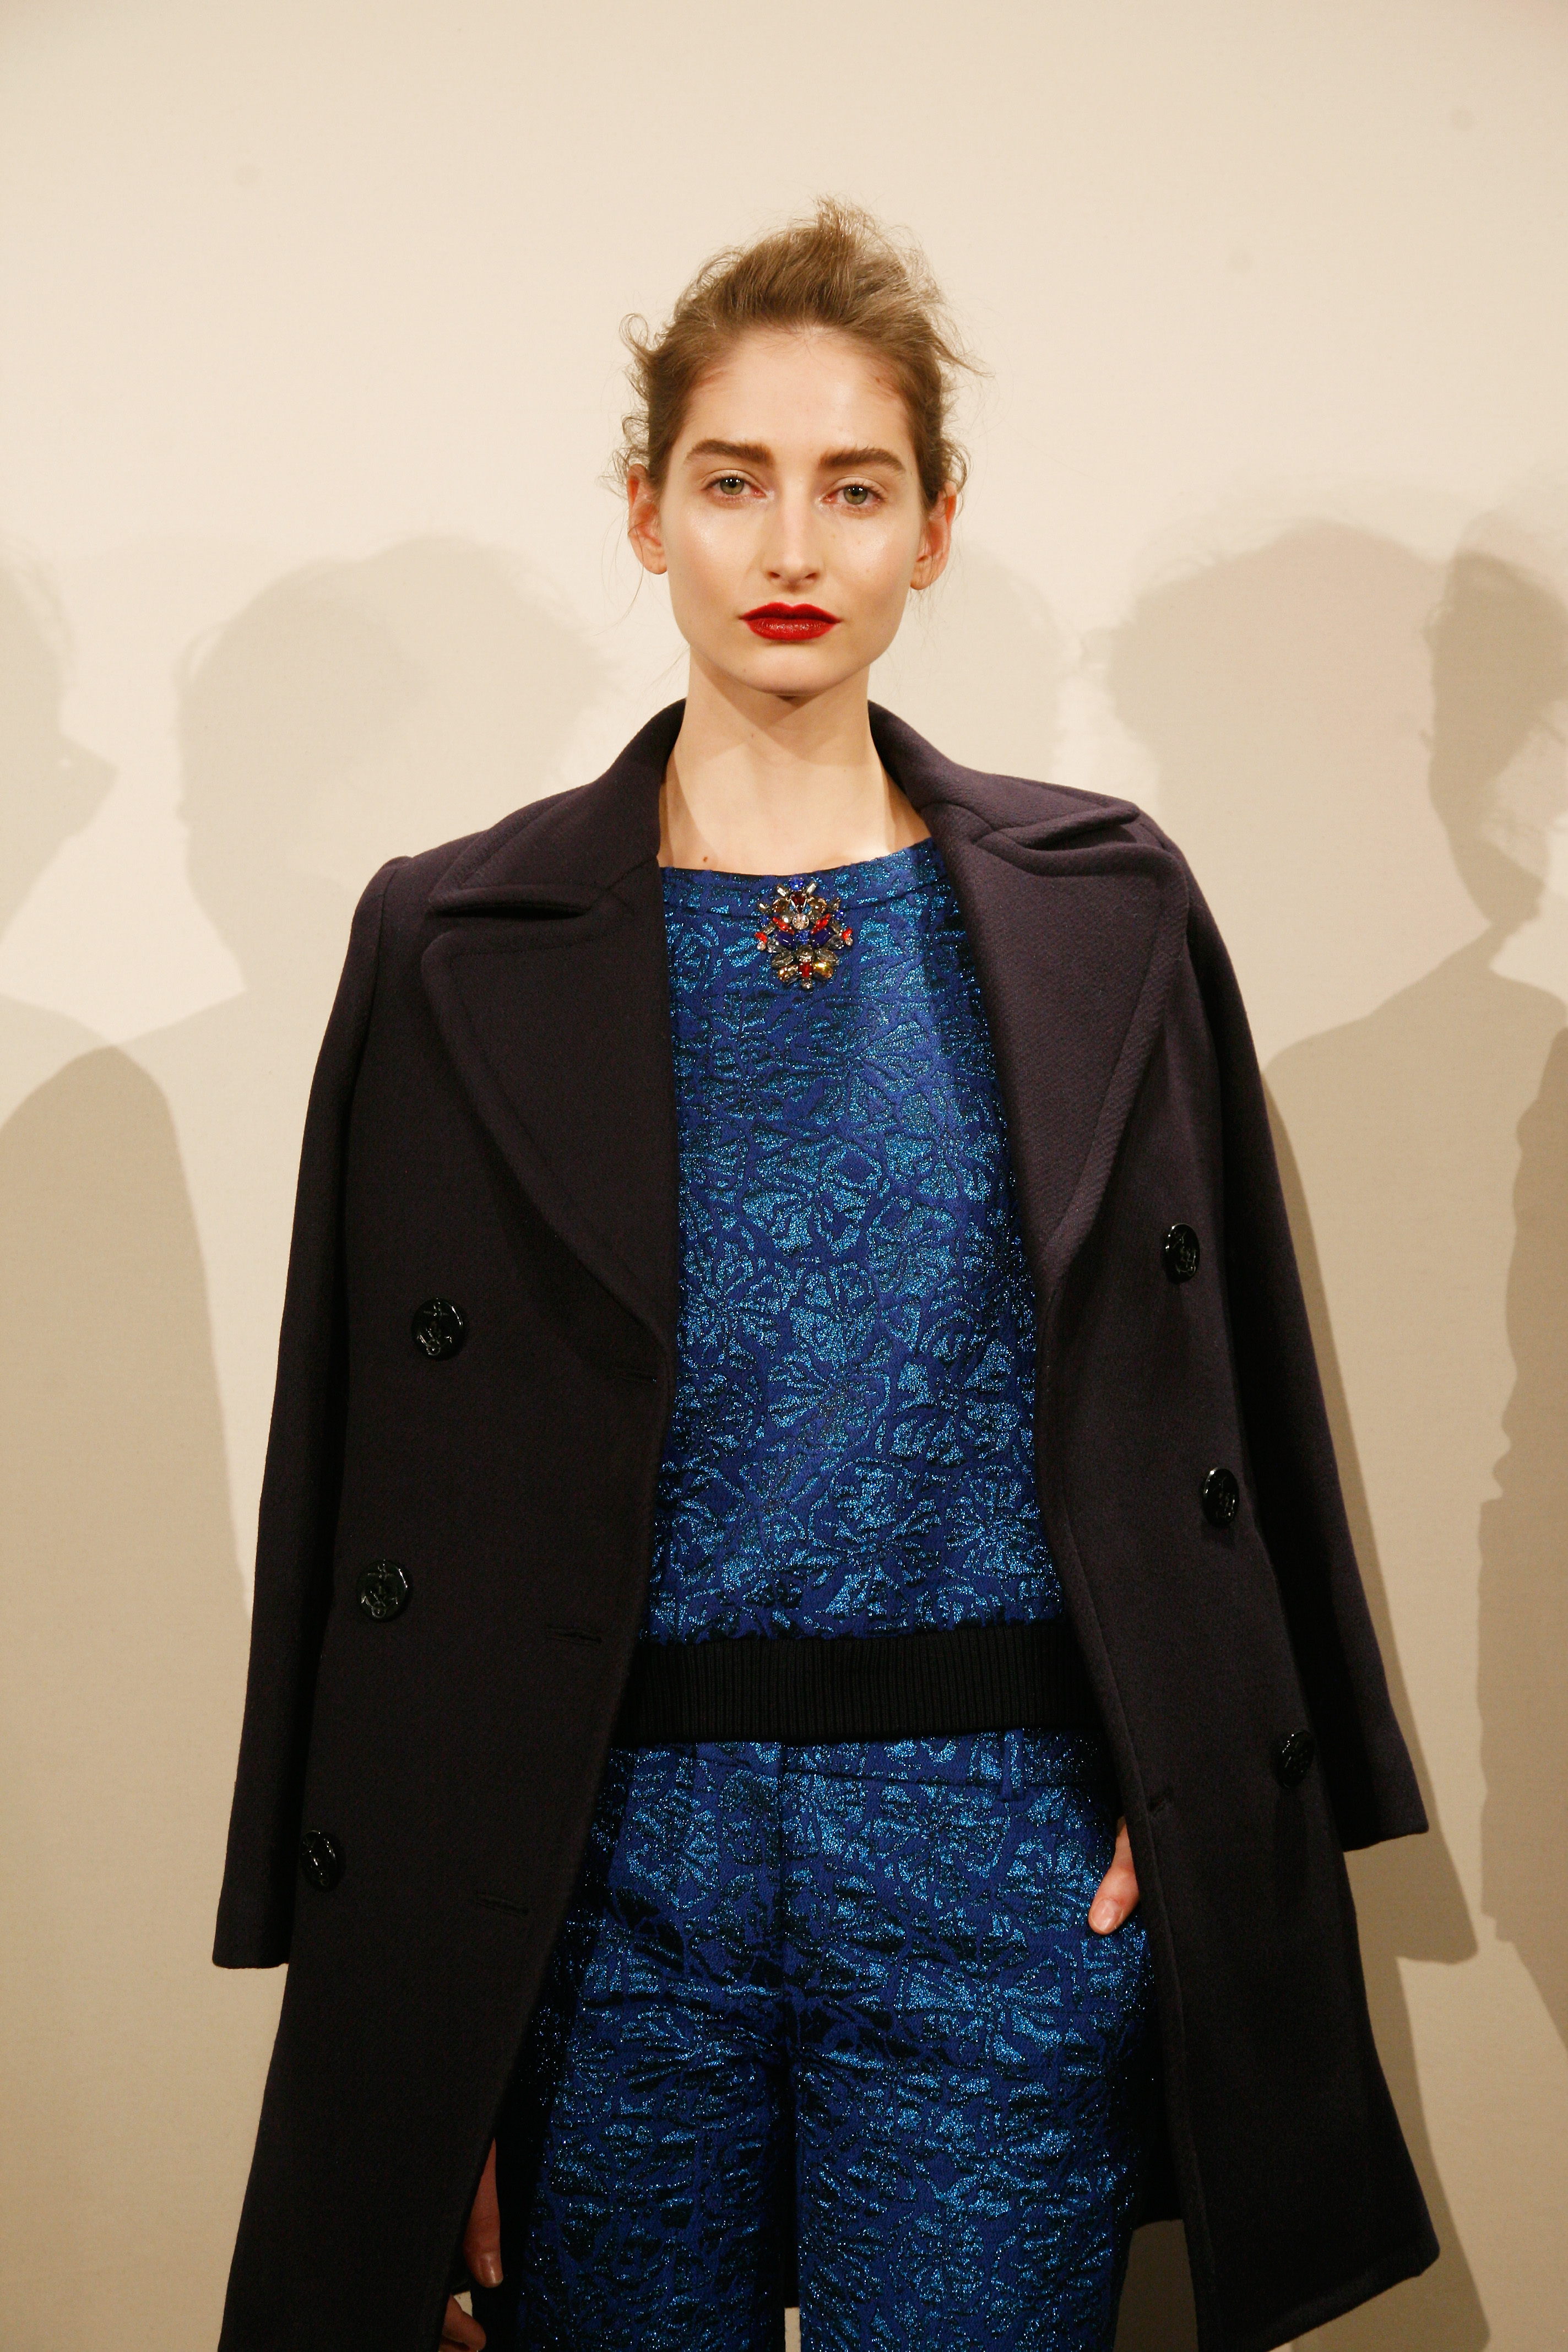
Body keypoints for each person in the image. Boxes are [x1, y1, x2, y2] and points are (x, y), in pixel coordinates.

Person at [213, 202, 1437, 2352]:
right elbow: (369, 1481)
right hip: (592, 1881)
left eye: (855, 488)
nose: (793, 543)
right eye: (734, 480)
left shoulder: (1104, 911)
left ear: (935, 528)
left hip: (998, 1851)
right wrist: (407, 2003)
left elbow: (1227, 1394)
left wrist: (1196, 1782)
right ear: (644, 514)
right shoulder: (454, 942)